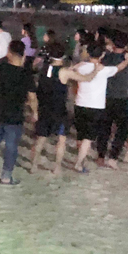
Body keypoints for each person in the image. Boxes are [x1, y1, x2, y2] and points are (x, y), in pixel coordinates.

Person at [29, 42, 101, 175]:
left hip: (44, 107)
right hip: (59, 110)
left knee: (41, 138)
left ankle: (34, 165)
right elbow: (87, 78)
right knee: (61, 140)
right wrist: (96, 69)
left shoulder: (44, 67)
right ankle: (57, 167)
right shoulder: (64, 72)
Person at [72, 42, 128, 172]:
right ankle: (79, 163)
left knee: (81, 134)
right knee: (88, 138)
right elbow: (119, 67)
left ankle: (82, 156)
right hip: (95, 106)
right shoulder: (104, 70)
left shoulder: (81, 67)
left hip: (79, 104)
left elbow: (70, 70)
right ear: (101, 55)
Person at [0, 40, 37, 185]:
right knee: (11, 145)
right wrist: (35, 112)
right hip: (15, 113)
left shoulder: (1, 68)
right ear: (23, 54)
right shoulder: (26, 74)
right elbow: (32, 97)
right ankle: (6, 176)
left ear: (9, 52)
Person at [101, 31, 128, 169]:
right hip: (122, 97)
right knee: (122, 129)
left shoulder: (107, 57)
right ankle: (113, 157)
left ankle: (100, 156)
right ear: (125, 44)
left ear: (113, 43)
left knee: (105, 127)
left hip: (106, 96)